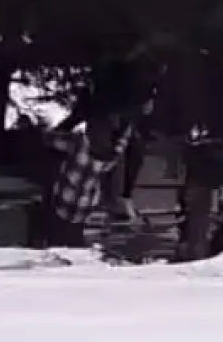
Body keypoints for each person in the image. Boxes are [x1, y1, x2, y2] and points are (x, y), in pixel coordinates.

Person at [42, 101, 152, 247]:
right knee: (73, 239)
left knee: (57, 236)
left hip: (63, 202)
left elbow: (50, 139)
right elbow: (121, 145)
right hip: (84, 208)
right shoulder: (109, 156)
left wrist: (64, 123)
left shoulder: (78, 142)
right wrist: (128, 128)